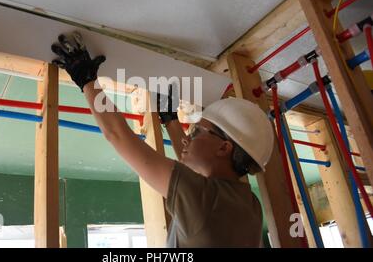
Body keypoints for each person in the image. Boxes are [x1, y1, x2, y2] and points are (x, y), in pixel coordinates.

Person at [51, 33, 274, 247]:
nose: (188, 139)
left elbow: (117, 135)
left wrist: (86, 79)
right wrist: (170, 120)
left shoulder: (214, 202)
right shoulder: (246, 204)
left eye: (196, 131)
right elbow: (196, 177)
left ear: (225, 147)